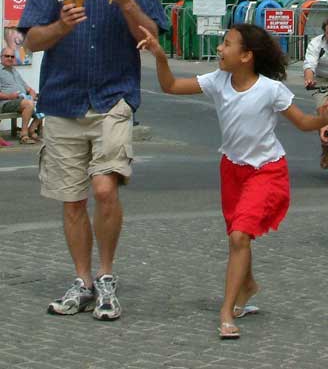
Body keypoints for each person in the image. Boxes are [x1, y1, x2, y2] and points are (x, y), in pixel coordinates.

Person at [18, 0, 168, 320]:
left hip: (113, 96)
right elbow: (31, 40)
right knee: (71, 201)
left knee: (104, 188)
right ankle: (82, 281)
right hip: (64, 98)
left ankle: (105, 276)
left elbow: (153, 33)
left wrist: (124, 1)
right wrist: (60, 26)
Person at [137, 23, 328, 340]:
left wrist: (324, 119)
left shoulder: (270, 89)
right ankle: (248, 284)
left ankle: (227, 311)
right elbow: (170, 85)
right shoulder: (217, 81)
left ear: (246, 56)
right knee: (240, 235)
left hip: (266, 170)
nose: (220, 49)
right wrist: (159, 55)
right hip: (232, 170)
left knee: (239, 236)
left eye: (227, 44)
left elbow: (306, 122)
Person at [0, 47, 42, 144]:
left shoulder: (15, 71)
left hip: (21, 101)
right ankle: (24, 135)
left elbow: (28, 88)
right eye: (7, 56)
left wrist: (31, 93)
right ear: (1, 57)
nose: (10, 58)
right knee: (28, 104)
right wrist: (9, 96)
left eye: (12, 56)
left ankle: (31, 130)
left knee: (45, 103)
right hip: (6, 103)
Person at [303, 20, 328, 168]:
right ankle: (326, 148)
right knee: (323, 110)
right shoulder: (316, 43)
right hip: (321, 81)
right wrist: (309, 80)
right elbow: (309, 64)